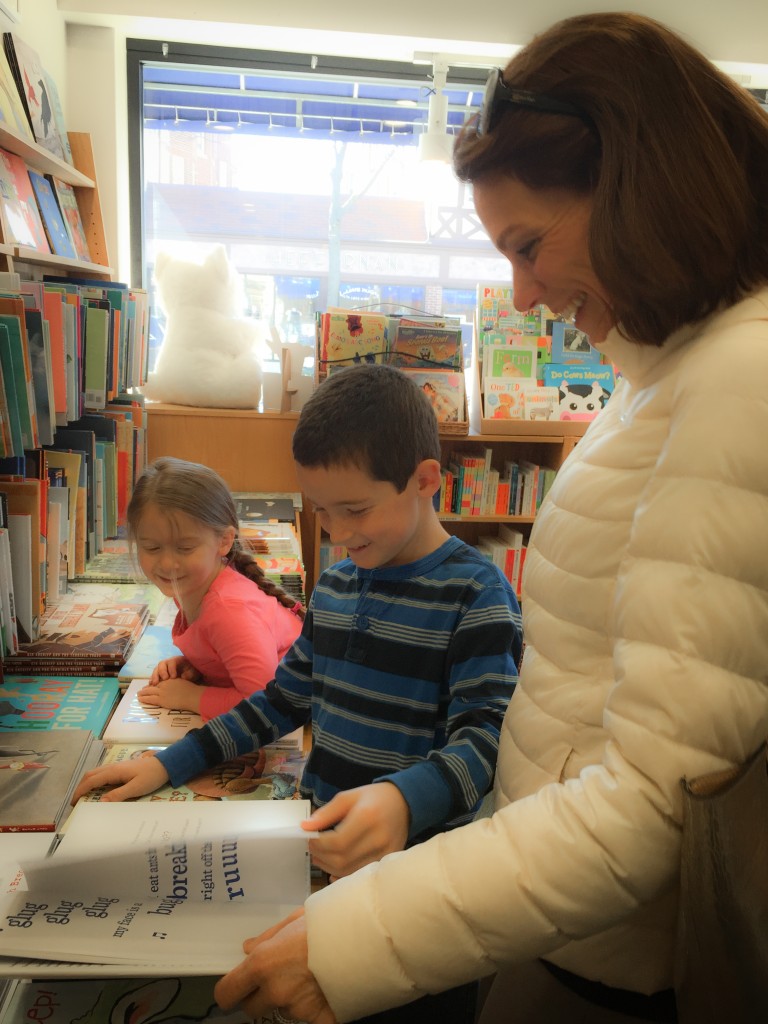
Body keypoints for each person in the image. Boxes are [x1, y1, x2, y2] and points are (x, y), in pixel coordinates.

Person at [205, 13, 768, 1024]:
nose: (525, 292)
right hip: (556, 921)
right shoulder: (667, 374)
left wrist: (363, 934)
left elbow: (656, 804)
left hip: (615, 955)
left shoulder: (739, 378)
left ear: (641, 186)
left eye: (530, 244)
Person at [73, 363, 522, 1024]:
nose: (338, 533)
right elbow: (280, 701)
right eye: (322, 511)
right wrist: (166, 764)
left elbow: (489, 736)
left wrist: (405, 798)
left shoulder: (477, 594)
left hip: (416, 897)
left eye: (356, 509)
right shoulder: (339, 585)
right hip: (323, 866)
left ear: (426, 481)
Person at [125, 456, 303, 720]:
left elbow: (264, 704)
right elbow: (227, 649)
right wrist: (199, 667)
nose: (166, 563)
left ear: (224, 541)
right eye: (151, 547)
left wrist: (190, 697)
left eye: (184, 548)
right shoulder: (193, 586)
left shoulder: (229, 611)